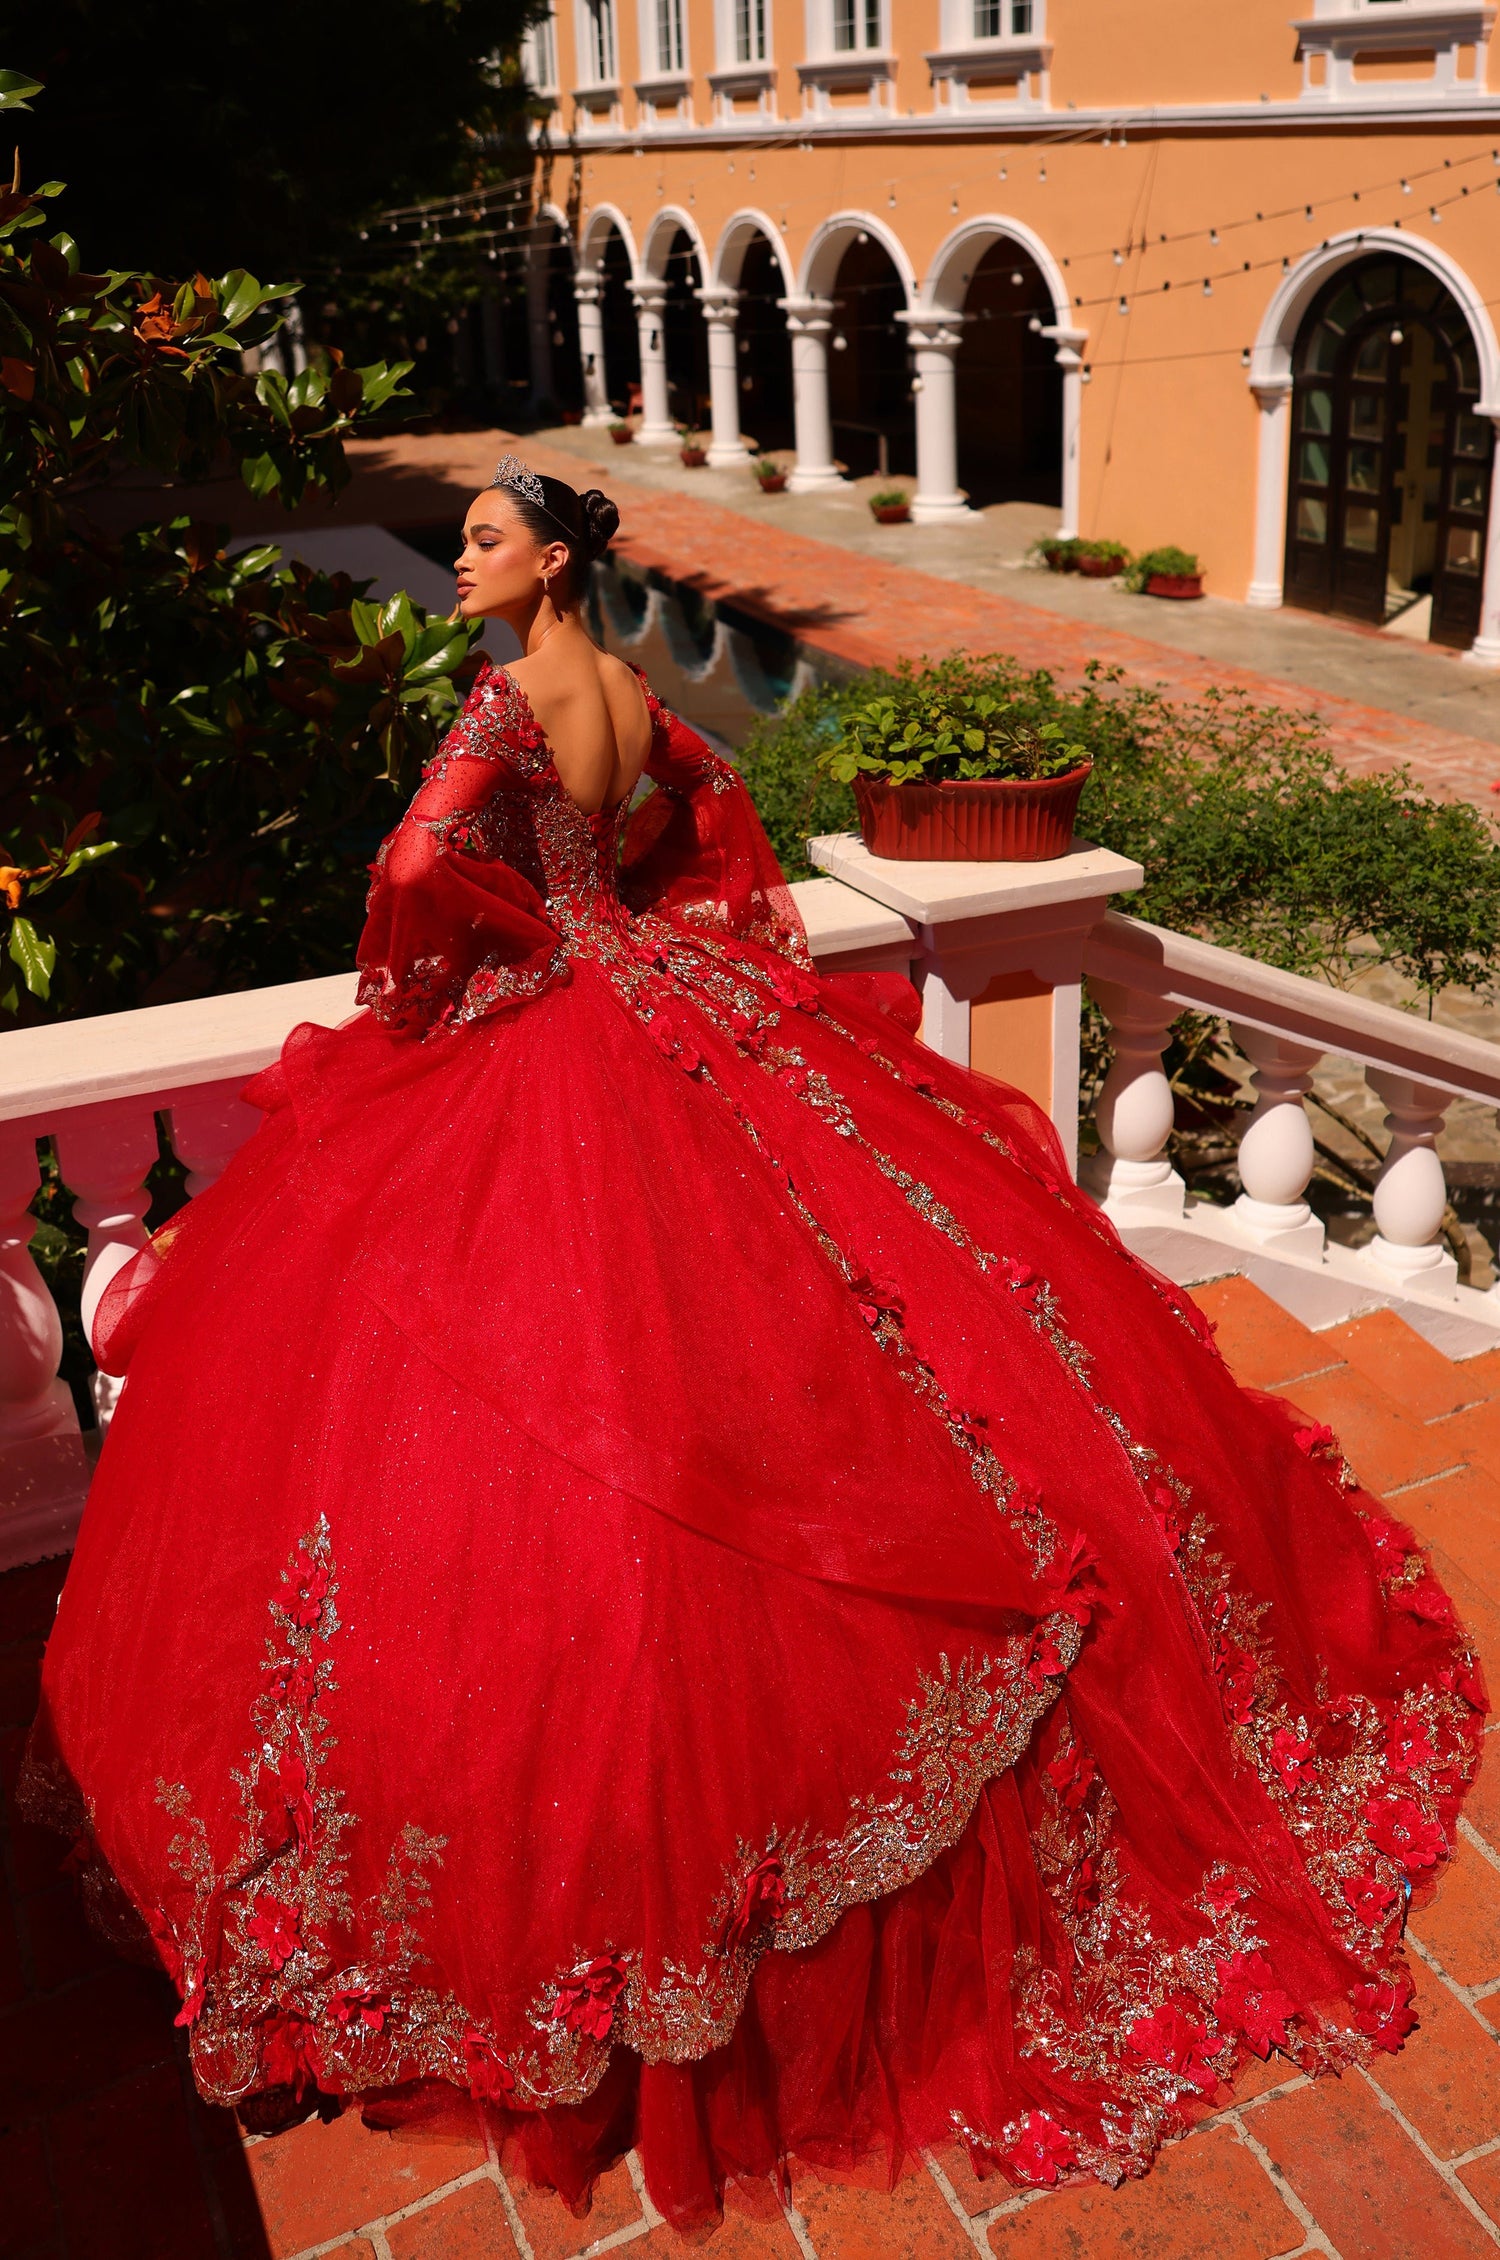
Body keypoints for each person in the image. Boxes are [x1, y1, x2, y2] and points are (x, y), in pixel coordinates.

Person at [22, 460, 1484, 2235]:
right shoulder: (632, 688)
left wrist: (457, 974)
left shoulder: (500, 694)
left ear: (551, 558)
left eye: (486, 537)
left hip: (555, 1031)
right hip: (667, 1007)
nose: (461, 557)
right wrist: (584, 922)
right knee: (842, 1349)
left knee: (581, 1426)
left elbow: (416, 863)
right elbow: (683, 842)